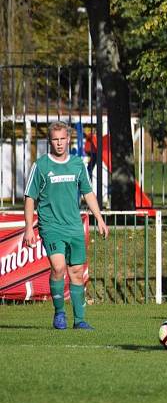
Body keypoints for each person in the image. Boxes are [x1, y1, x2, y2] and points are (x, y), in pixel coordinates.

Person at [23, 121, 109, 330]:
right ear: (50, 141)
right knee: (59, 267)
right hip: (51, 226)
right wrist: (28, 228)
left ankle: (79, 320)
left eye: (63, 139)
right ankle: (59, 313)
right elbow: (29, 198)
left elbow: (88, 192)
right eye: (55, 139)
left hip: (74, 227)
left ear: (68, 139)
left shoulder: (78, 164)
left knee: (77, 272)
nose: (59, 143)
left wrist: (99, 218)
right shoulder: (41, 166)